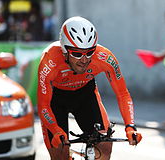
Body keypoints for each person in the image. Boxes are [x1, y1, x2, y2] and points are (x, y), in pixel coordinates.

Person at [37, 16, 142, 160]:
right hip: (55, 100)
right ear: (64, 50)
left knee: (104, 147)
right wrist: (55, 130)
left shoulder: (104, 57)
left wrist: (130, 125)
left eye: (90, 52)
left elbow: (123, 94)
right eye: (77, 53)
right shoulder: (49, 61)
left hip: (85, 95)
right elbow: (43, 105)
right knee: (59, 152)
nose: (84, 59)